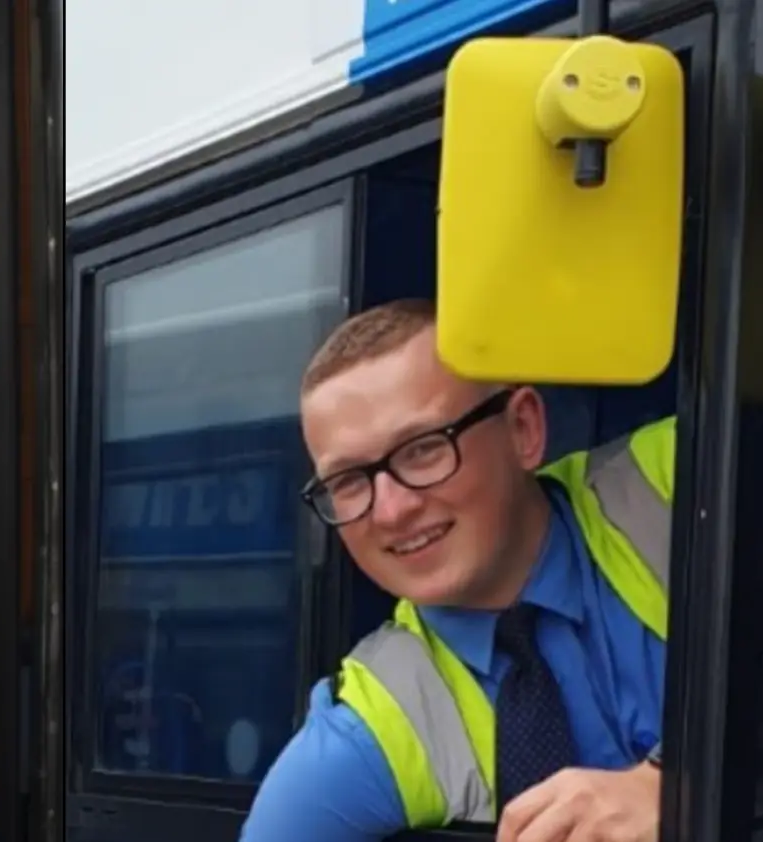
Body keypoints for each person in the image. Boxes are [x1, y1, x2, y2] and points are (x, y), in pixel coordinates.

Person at [241, 299, 669, 842]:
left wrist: (674, 789)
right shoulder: (375, 720)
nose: (391, 510)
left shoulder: (678, 484)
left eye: (422, 450)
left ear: (523, 429)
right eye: (349, 481)